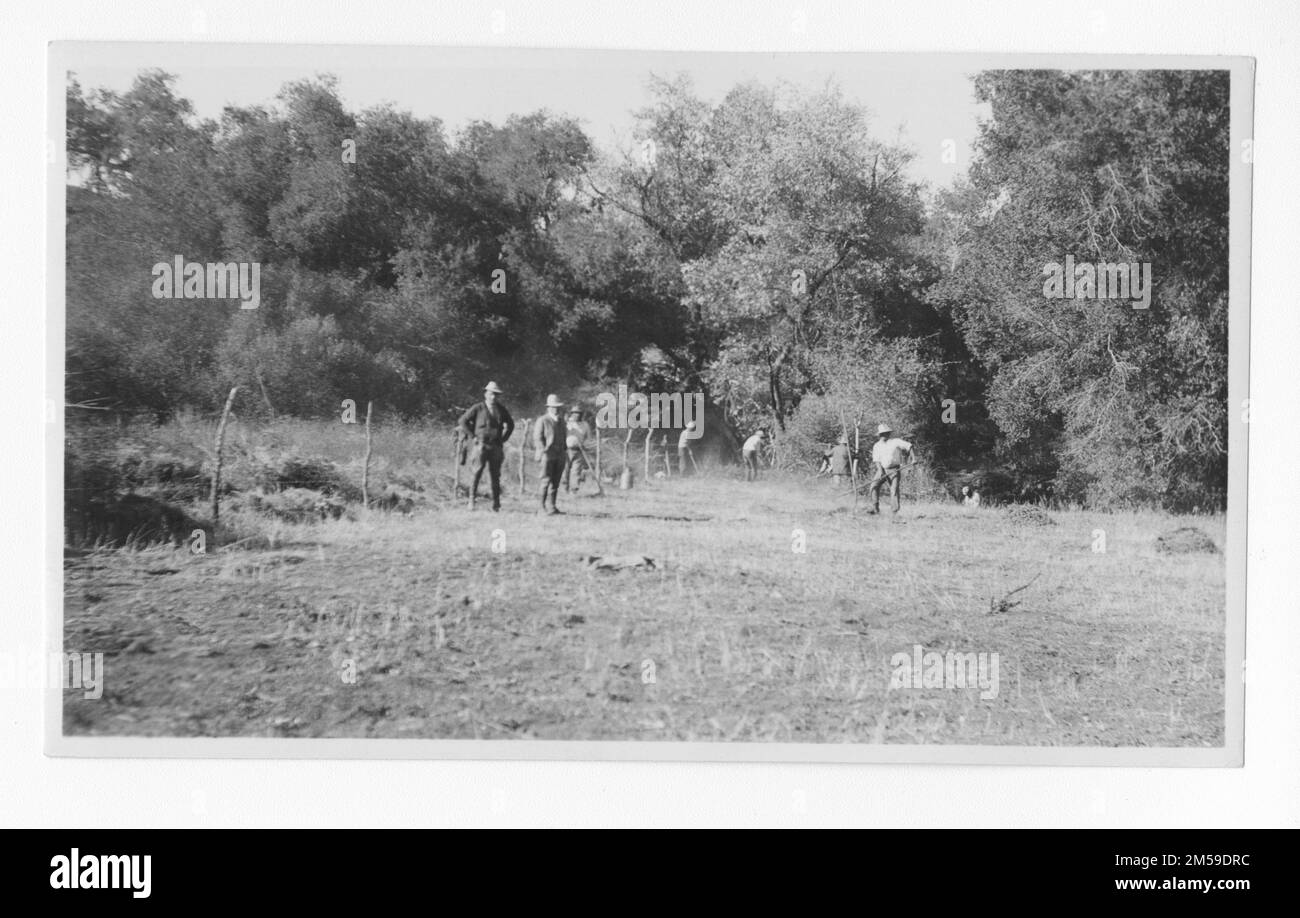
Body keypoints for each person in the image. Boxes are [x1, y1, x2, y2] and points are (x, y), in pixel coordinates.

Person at [457, 381, 514, 512]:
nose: (493, 397)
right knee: (476, 473)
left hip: (496, 446)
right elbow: (463, 421)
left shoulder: (501, 409)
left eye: (496, 394)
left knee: (495, 476)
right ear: (486, 394)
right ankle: (471, 501)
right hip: (480, 446)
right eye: (491, 394)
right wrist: (473, 436)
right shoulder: (478, 408)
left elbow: (510, 424)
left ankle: (496, 504)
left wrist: (503, 439)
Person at [866, 423, 913, 514]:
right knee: (873, 486)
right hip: (882, 469)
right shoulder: (877, 445)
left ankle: (894, 512)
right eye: (883, 434)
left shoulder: (896, 441)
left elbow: (909, 446)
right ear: (879, 435)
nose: (885, 435)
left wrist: (914, 458)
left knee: (894, 489)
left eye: (886, 433)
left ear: (889, 433)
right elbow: (876, 460)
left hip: (894, 469)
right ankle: (875, 508)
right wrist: (880, 471)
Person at [534, 394, 567, 515]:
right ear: (548, 407)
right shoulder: (543, 420)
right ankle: (541, 507)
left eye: (558, 407)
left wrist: (564, 450)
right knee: (545, 481)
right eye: (553, 407)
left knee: (556, 482)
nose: (556, 409)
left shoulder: (562, 421)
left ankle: (552, 506)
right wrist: (543, 451)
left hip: (560, 454)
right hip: (547, 454)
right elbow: (537, 438)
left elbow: (564, 436)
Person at [563, 408, 588, 493]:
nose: (577, 415)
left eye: (579, 413)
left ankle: (574, 490)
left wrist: (584, 444)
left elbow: (588, 438)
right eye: (575, 413)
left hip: (579, 450)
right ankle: (564, 488)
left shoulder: (585, 425)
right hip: (566, 450)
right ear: (572, 414)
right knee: (565, 470)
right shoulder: (567, 423)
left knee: (576, 470)